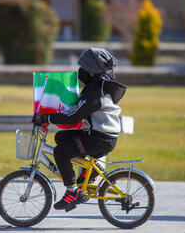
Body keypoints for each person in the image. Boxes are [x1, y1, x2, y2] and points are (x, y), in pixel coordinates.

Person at [33, 48, 126, 211]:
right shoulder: (97, 86)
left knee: (60, 152)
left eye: (84, 68)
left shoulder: (96, 93)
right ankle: (88, 171)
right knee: (61, 138)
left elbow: (73, 116)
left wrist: (47, 117)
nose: (81, 71)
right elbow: (75, 110)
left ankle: (73, 192)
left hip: (100, 139)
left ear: (91, 71)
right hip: (99, 135)